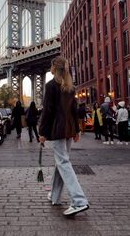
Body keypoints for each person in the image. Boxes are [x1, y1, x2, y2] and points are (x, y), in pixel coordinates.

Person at [39, 56, 89, 216]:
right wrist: (76, 130)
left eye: (51, 66)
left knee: (63, 162)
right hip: (68, 130)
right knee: (61, 162)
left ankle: (79, 200)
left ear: (54, 67)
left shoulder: (51, 86)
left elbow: (48, 111)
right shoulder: (70, 86)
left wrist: (42, 132)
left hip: (58, 130)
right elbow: (74, 110)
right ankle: (54, 196)